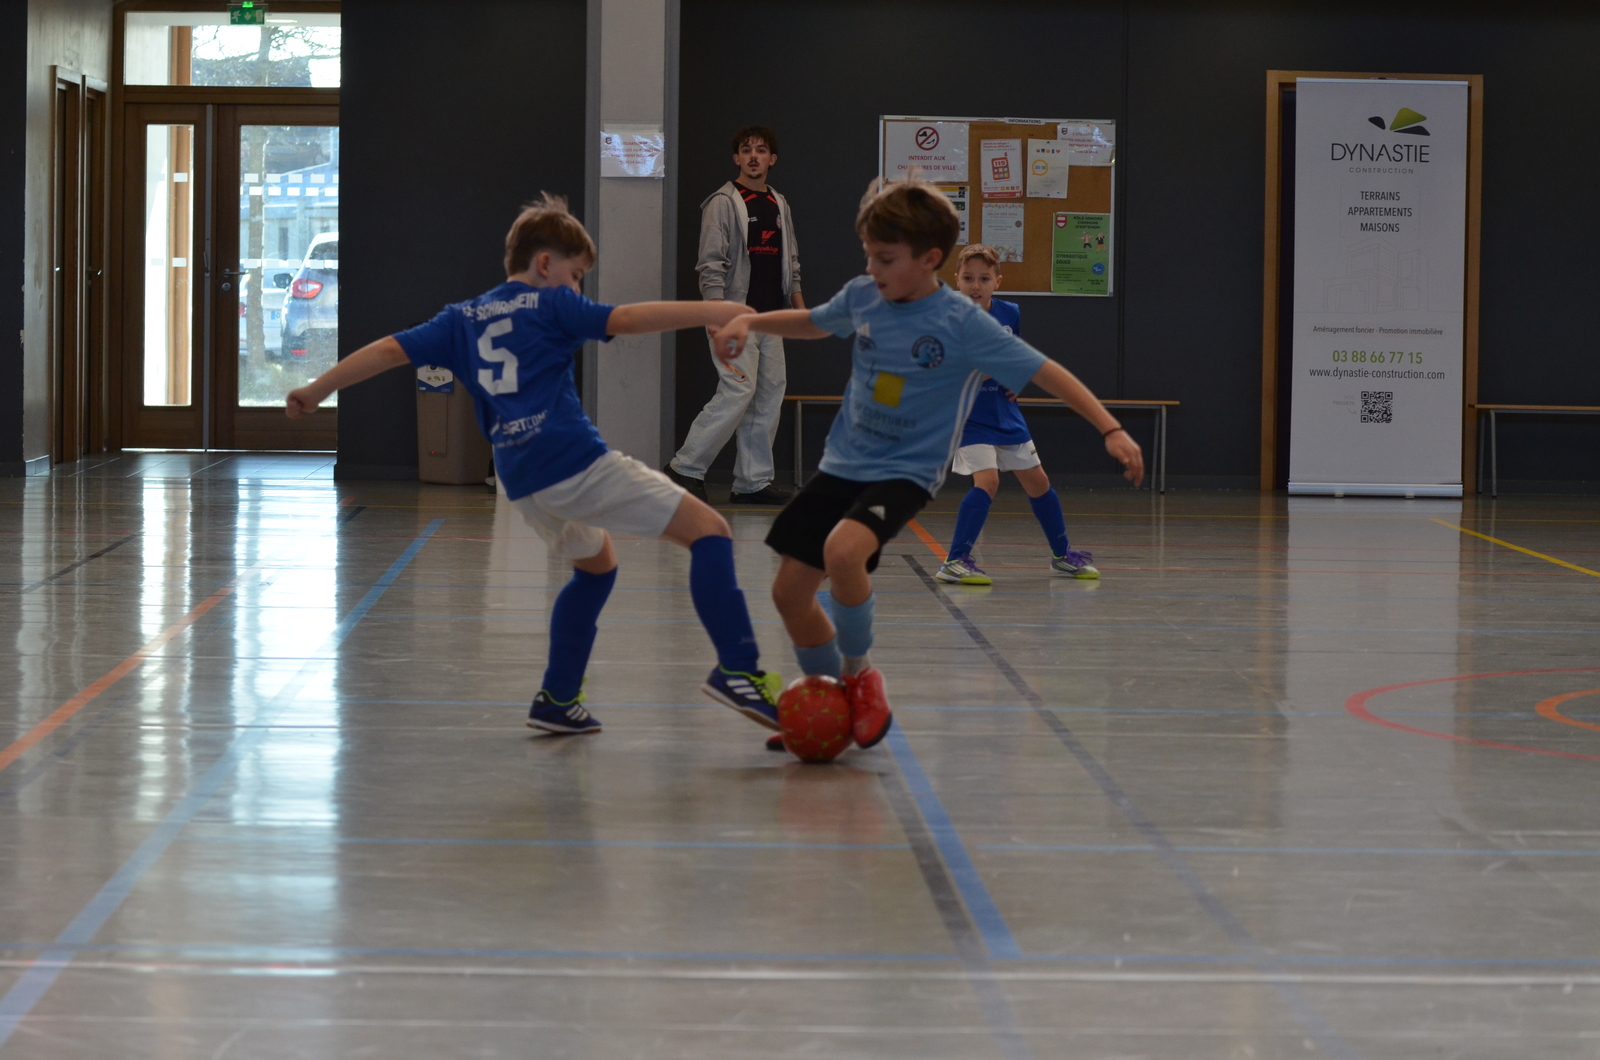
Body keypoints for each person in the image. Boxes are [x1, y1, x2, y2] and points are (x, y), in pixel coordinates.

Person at [285, 193, 782, 736]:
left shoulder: (461, 319)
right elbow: (628, 319)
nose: (577, 290)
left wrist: (316, 390)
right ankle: (739, 668)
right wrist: (718, 310)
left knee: (597, 567)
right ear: (545, 264)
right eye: (576, 276)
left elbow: (387, 350)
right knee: (710, 532)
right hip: (573, 462)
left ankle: (557, 699)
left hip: (522, 483)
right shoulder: (550, 305)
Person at [710, 181, 1143, 751]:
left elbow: (1045, 371)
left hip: (905, 473)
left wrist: (1110, 428)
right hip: (842, 464)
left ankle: (860, 676)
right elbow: (815, 321)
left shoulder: (963, 323)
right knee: (790, 592)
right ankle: (828, 699)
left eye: (885, 258)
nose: (872, 268)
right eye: (868, 255)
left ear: (930, 259)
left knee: (843, 552)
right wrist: (752, 322)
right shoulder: (865, 294)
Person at [935, 244, 1099, 586]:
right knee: (988, 481)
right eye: (968, 278)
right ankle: (955, 560)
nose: (975, 286)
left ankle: (1062, 555)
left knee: (1039, 482)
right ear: (956, 280)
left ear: (997, 282)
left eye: (984, 279)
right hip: (968, 416)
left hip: (1005, 413)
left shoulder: (1010, 313)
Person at [663, 125, 804, 505]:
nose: (754, 156)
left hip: (772, 318)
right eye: (746, 150)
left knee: (769, 395)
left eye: (761, 150)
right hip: (734, 318)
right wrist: (714, 311)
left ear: (772, 159)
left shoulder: (779, 202)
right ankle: (683, 469)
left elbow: (790, 260)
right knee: (738, 390)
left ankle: (752, 483)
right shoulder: (723, 202)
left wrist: (799, 306)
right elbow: (710, 262)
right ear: (737, 158)